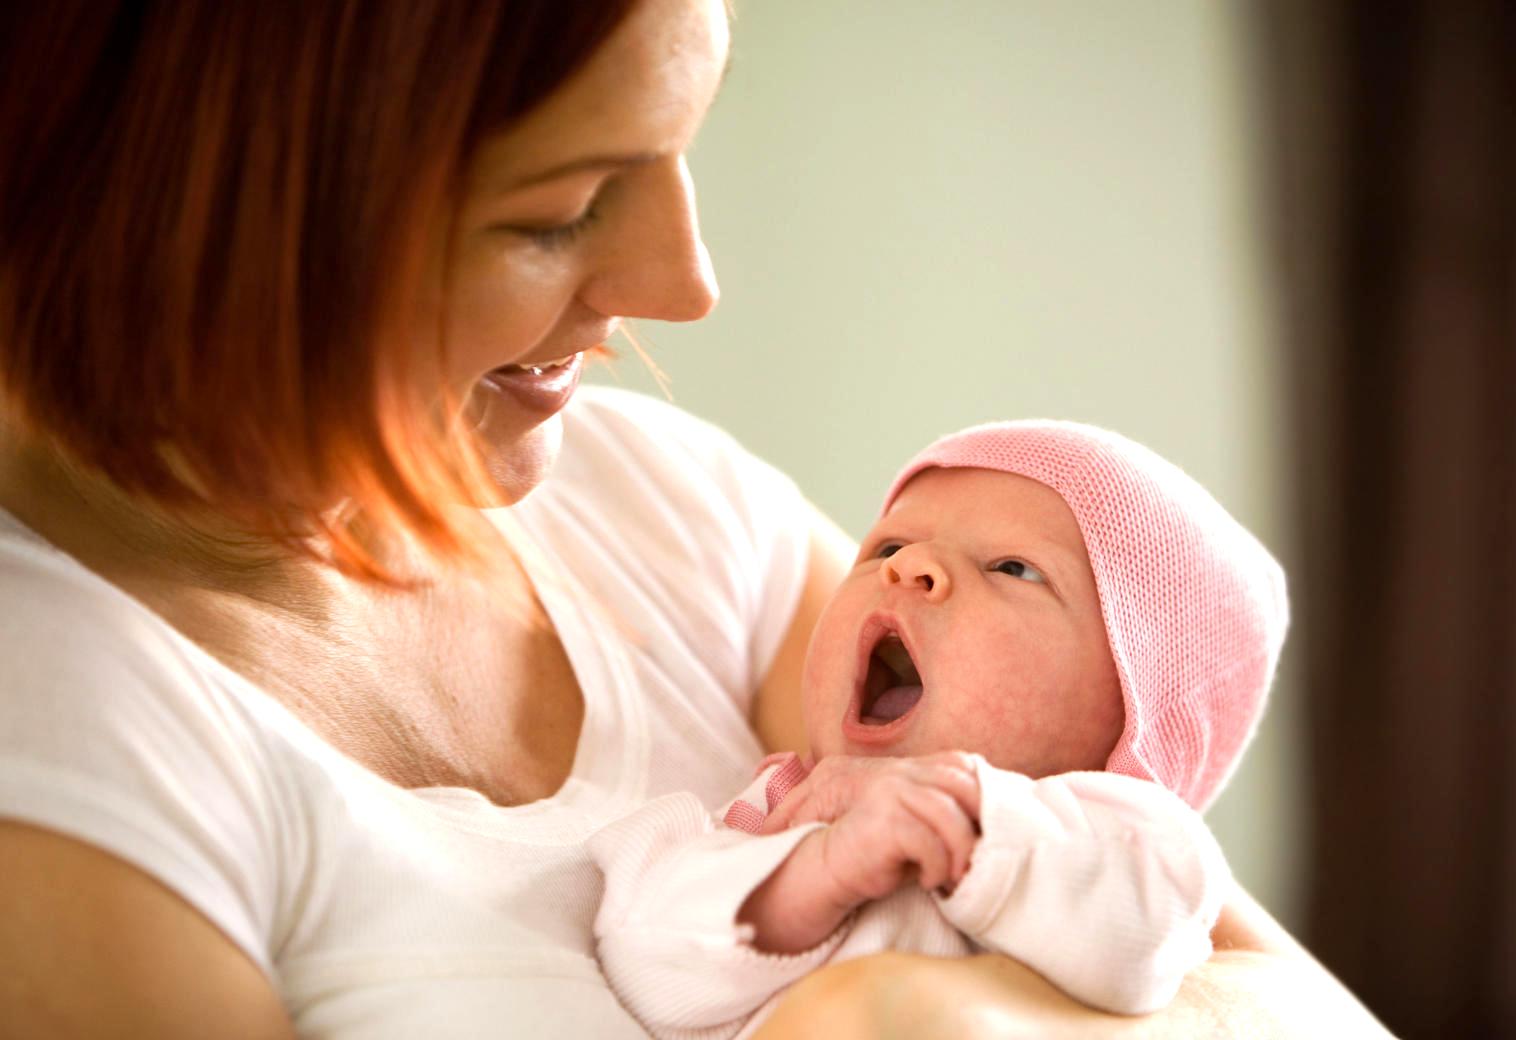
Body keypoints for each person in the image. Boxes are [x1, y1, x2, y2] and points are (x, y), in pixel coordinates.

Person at [0, 1, 1389, 1037]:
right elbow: (676, 929)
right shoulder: (65, 740)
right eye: (559, 209)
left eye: (674, 151)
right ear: (196, 212)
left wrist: (918, 1017)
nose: (685, 283)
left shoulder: (653, 503)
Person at [589, 419, 1286, 1037]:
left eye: (1013, 568)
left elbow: (1140, 946)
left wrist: (972, 820)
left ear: (1132, 714)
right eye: (887, 545)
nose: (909, 565)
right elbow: (646, 961)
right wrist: (808, 876)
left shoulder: (1133, 843)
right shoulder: (774, 816)